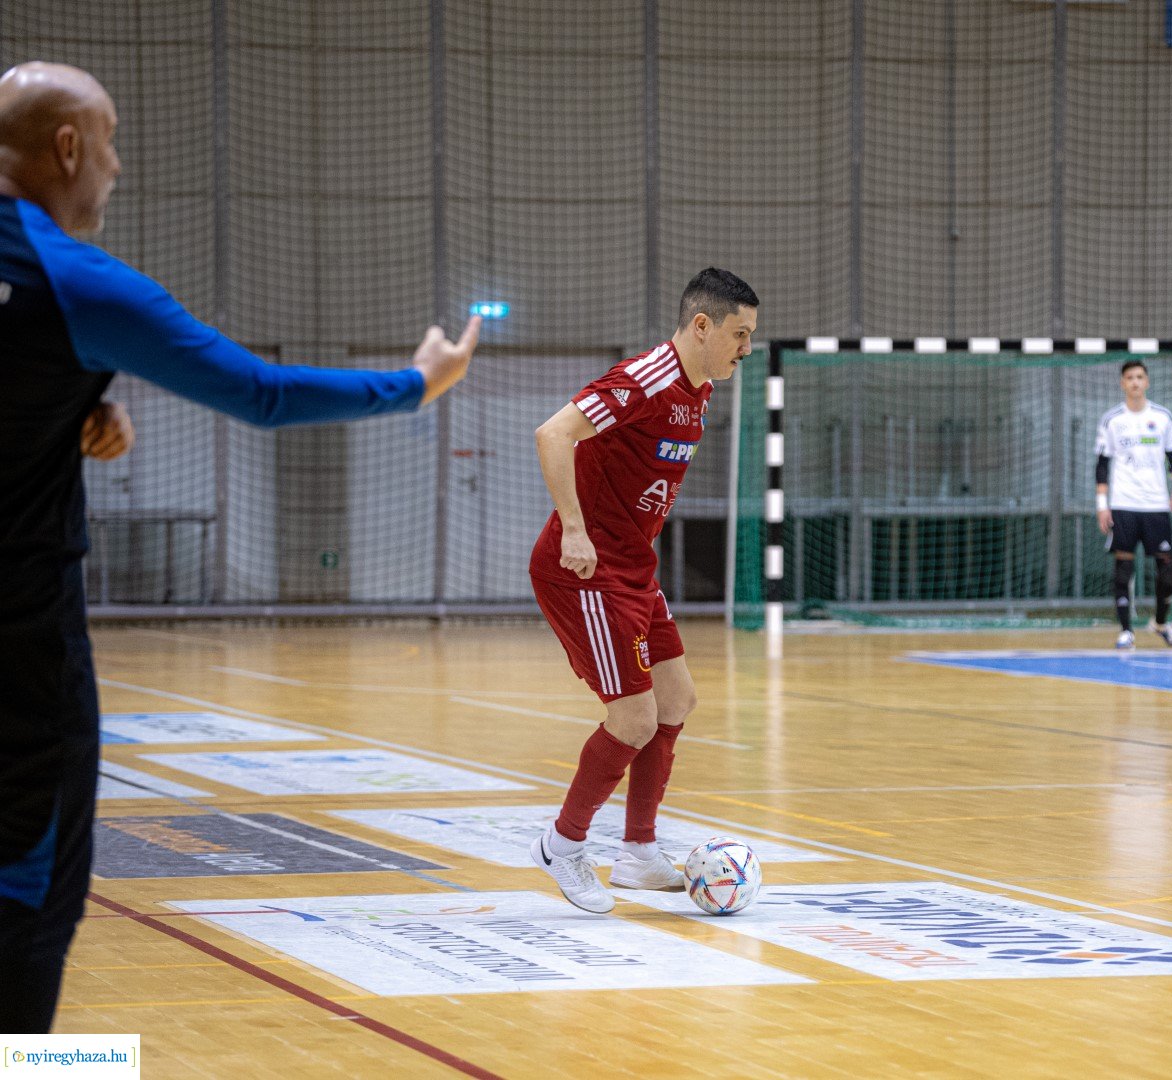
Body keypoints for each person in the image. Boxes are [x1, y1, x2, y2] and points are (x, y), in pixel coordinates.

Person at [0, 62, 481, 1030]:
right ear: (66, 147)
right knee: (28, 901)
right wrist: (414, 384)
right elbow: (258, 392)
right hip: (19, 656)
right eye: (111, 142)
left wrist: (69, 413)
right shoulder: (71, 280)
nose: (118, 165)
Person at [528, 268, 757, 914]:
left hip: (634, 569)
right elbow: (553, 434)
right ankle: (563, 844)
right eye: (740, 334)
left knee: (676, 697)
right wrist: (574, 529)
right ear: (703, 326)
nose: (747, 348)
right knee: (633, 717)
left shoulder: (701, 389)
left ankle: (637, 853)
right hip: (587, 570)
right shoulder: (644, 380)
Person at [1095, 359, 1172, 649]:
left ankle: (1160, 622)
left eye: (1139, 377)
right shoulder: (1112, 420)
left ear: (1147, 382)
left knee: (1167, 568)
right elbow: (1101, 465)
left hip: (1156, 505)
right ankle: (1125, 630)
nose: (1135, 382)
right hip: (1123, 504)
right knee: (1123, 567)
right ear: (1123, 383)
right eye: (1130, 377)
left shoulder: (1162, 418)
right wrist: (1101, 504)